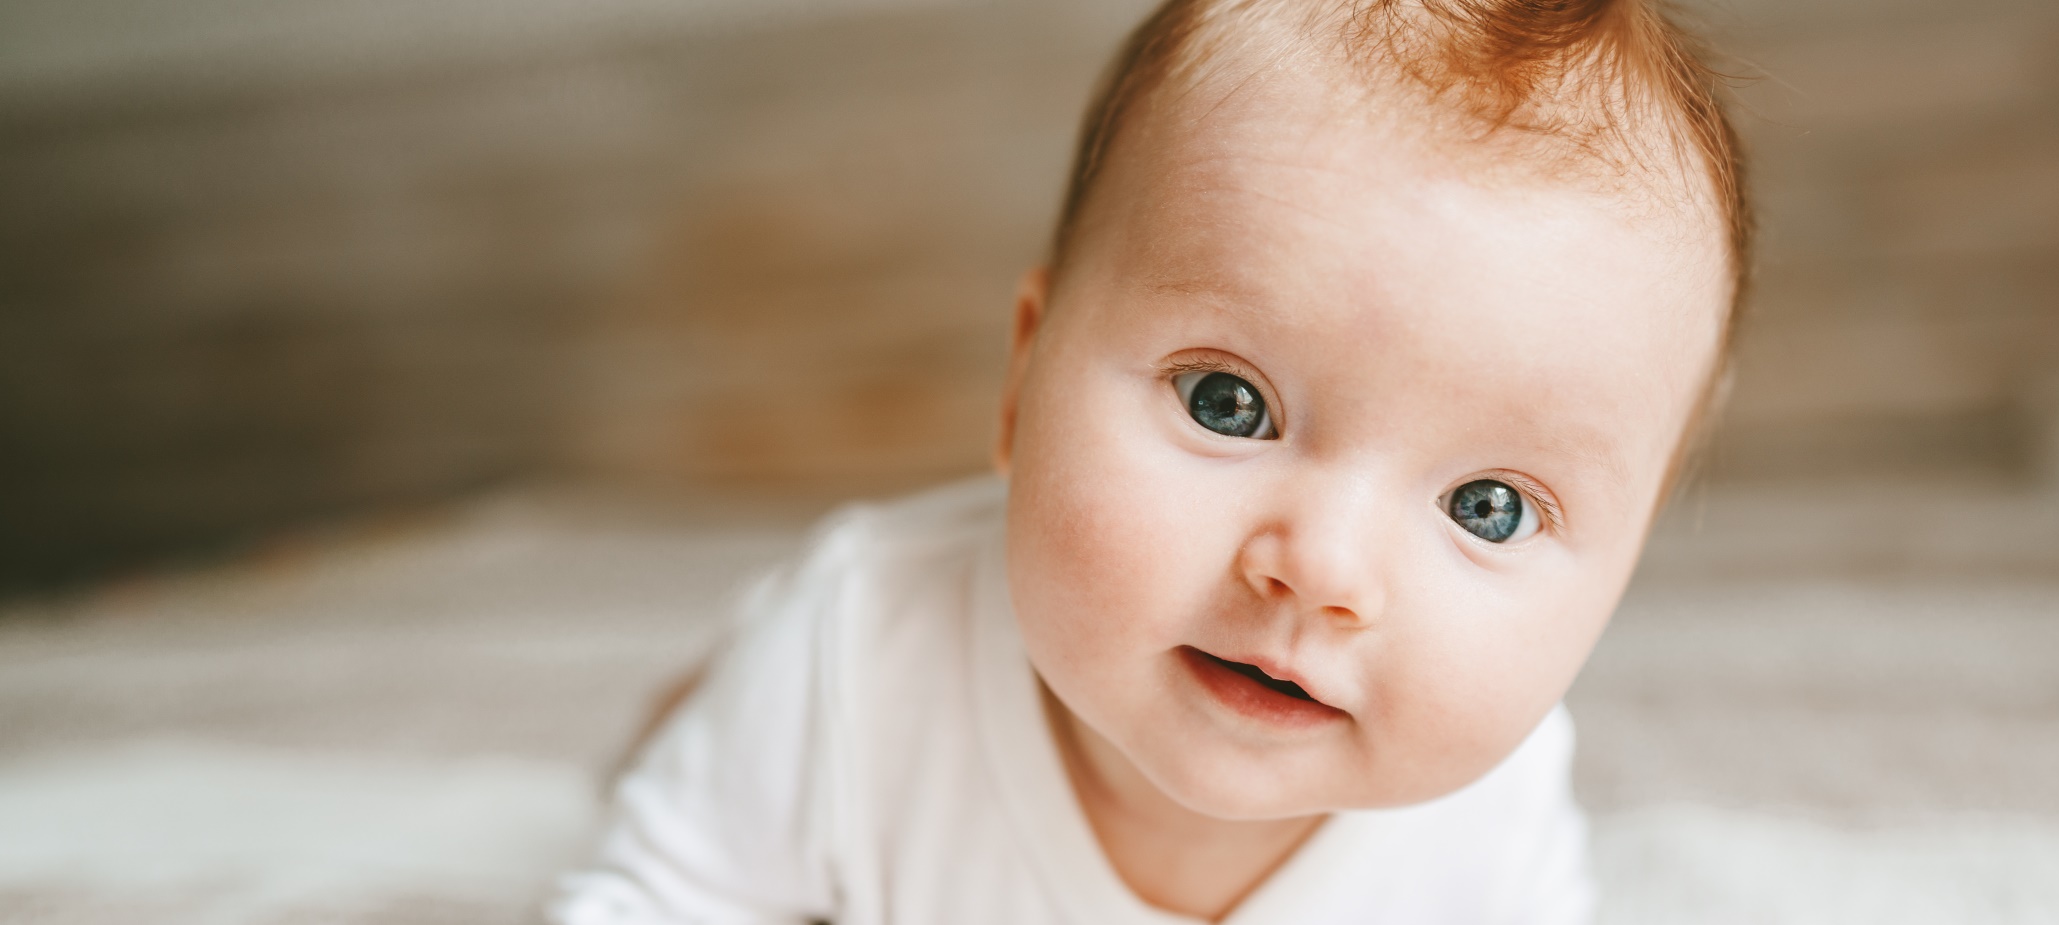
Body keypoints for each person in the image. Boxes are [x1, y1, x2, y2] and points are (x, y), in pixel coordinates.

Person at [550, 0, 1747, 920]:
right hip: (809, 712)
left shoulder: (1494, 809)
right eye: (1230, 403)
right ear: (1025, 381)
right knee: (717, 758)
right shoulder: (858, 657)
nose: (1322, 568)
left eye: (1488, 507)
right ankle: (694, 718)